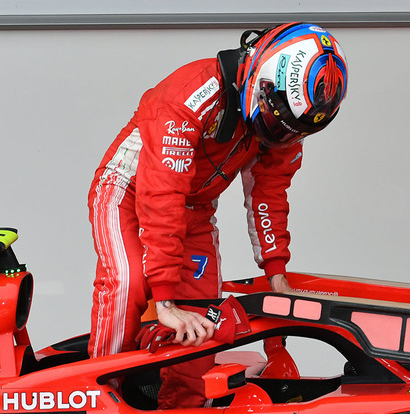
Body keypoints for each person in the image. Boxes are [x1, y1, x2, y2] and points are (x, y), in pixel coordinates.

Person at [88, 22, 348, 407]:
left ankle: (183, 406)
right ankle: (97, 394)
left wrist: (276, 274)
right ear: (261, 78)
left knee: (204, 318)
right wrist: (164, 300)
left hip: (193, 209)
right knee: (128, 284)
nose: (277, 134)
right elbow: (162, 195)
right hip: (127, 190)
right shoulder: (188, 95)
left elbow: (269, 195)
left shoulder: (286, 123)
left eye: (289, 130)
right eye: (275, 120)